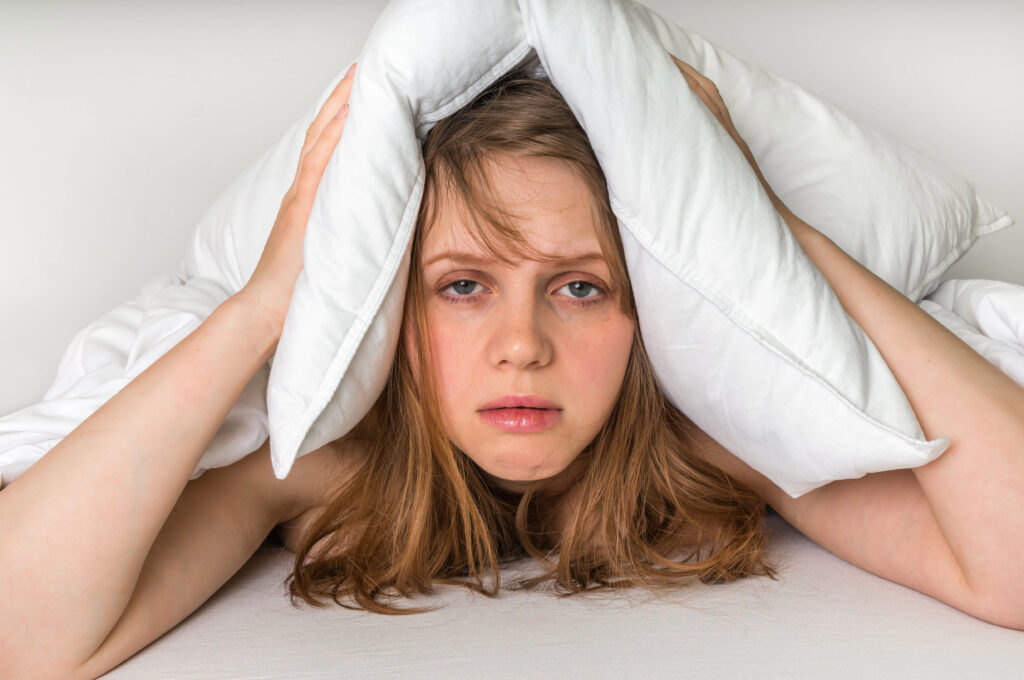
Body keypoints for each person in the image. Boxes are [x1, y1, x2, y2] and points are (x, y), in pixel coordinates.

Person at [3, 52, 1023, 680]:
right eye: (461, 285)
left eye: (578, 285)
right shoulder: (326, 461)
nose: (522, 343)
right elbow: (21, 636)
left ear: (649, 311)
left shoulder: (712, 446)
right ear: (394, 315)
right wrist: (265, 303)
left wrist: (775, 245)